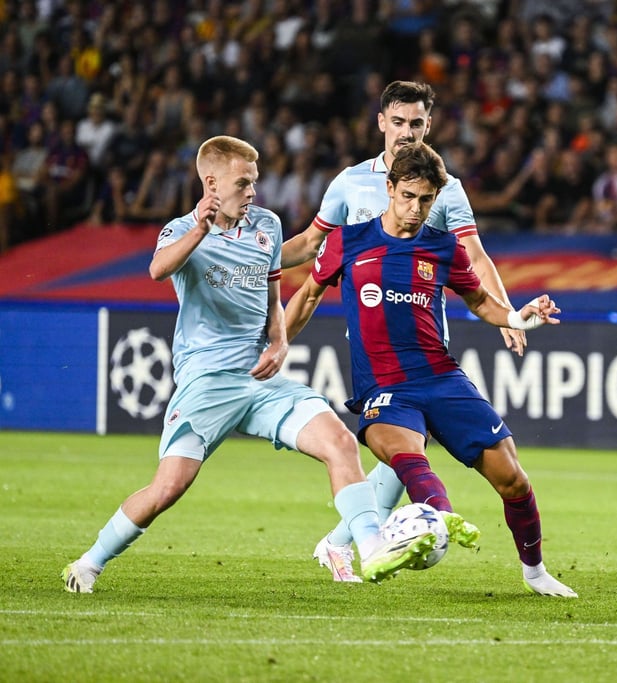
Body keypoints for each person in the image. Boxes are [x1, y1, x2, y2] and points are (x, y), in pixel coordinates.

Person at [62, 135, 437, 594]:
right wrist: (199, 230)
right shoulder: (182, 229)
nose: (253, 192)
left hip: (260, 379)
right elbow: (158, 270)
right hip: (207, 381)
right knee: (168, 489)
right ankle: (89, 562)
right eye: (243, 183)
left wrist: (279, 342)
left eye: (254, 182)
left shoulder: (267, 225)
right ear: (211, 183)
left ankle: (371, 547)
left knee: (340, 441)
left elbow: (273, 296)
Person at [284, 141, 577, 598]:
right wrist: (277, 345)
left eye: (426, 200)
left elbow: (479, 300)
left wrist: (518, 317)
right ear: (390, 188)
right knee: (409, 459)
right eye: (408, 196)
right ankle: (438, 516)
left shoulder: (443, 248)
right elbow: (307, 296)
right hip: (384, 388)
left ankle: (535, 571)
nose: (416, 209)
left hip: (442, 378)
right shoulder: (348, 240)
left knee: (513, 479)